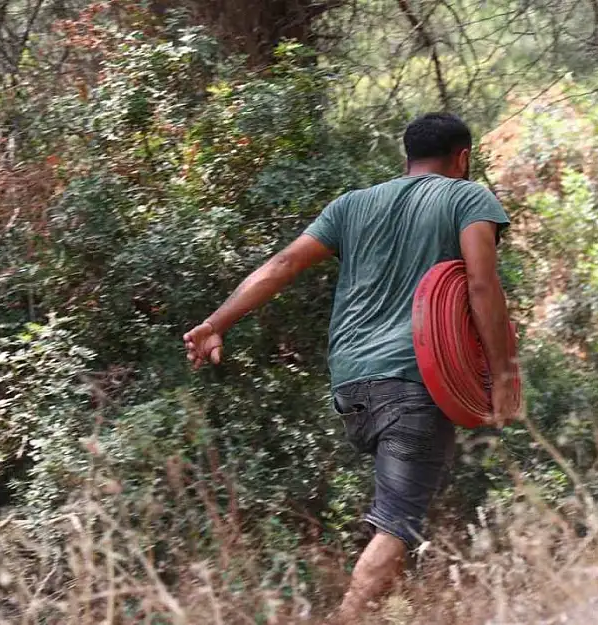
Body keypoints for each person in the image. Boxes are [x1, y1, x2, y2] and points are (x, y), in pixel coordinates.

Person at [182, 112, 517, 621]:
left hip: (352, 385)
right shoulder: (468, 197)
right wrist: (504, 374)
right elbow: (480, 285)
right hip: (416, 381)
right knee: (397, 526)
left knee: (400, 523)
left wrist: (215, 323)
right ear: (463, 158)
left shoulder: (352, 205)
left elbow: (283, 265)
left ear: (406, 156)